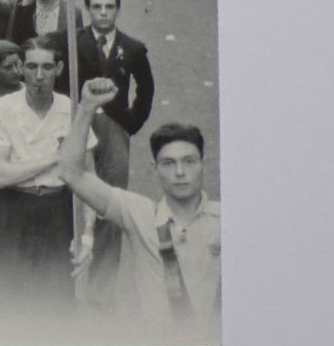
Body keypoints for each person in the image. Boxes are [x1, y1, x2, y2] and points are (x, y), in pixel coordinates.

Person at [59, 81, 221, 330]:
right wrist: (87, 107)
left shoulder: (225, 221)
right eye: (168, 163)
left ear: (204, 164)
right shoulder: (140, 213)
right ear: (155, 169)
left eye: (189, 161)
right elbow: (71, 172)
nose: (180, 172)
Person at [0, 36, 96, 309]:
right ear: (21, 68)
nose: (39, 76)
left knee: (56, 302)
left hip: (57, 212)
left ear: (59, 69)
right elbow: (1, 175)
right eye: (31, 67)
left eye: (46, 67)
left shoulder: (72, 111)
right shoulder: (0, 110)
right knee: (8, 303)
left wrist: (88, 234)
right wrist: (56, 157)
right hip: (11, 213)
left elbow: (88, 179)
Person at [73, 0, 157, 306]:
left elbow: (146, 90)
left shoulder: (133, 48)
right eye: (97, 7)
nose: (103, 13)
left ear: (117, 10)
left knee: (110, 202)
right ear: (89, 9)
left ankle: (101, 291)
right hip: (79, 124)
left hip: (115, 130)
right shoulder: (72, 41)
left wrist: (130, 123)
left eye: (109, 7)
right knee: (76, 195)